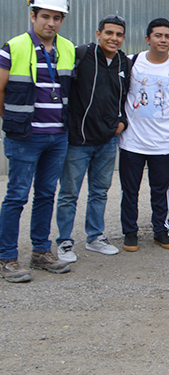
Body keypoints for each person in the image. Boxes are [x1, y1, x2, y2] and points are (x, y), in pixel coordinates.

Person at [0, 0, 75, 282]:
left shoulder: (67, 48)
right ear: (33, 16)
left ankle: (41, 252)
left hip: (57, 136)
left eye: (57, 18)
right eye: (45, 16)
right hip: (25, 137)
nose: (51, 23)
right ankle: (7, 257)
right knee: (17, 196)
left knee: (46, 194)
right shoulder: (13, 47)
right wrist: (13, 121)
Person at [55, 14, 130, 261]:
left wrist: (122, 122)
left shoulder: (124, 63)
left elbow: (126, 98)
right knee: (69, 193)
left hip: (107, 140)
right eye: (109, 33)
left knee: (99, 191)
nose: (114, 38)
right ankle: (64, 241)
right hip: (78, 140)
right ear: (98, 34)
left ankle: (95, 237)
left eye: (119, 34)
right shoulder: (82, 55)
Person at [119, 18, 169, 251]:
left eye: (167, 36)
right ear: (147, 38)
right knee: (130, 190)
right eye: (158, 35)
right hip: (132, 141)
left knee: (160, 190)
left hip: (163, 142)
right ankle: (130, 232)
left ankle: (160, 230)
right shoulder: (132, 62)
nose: (163, 40)